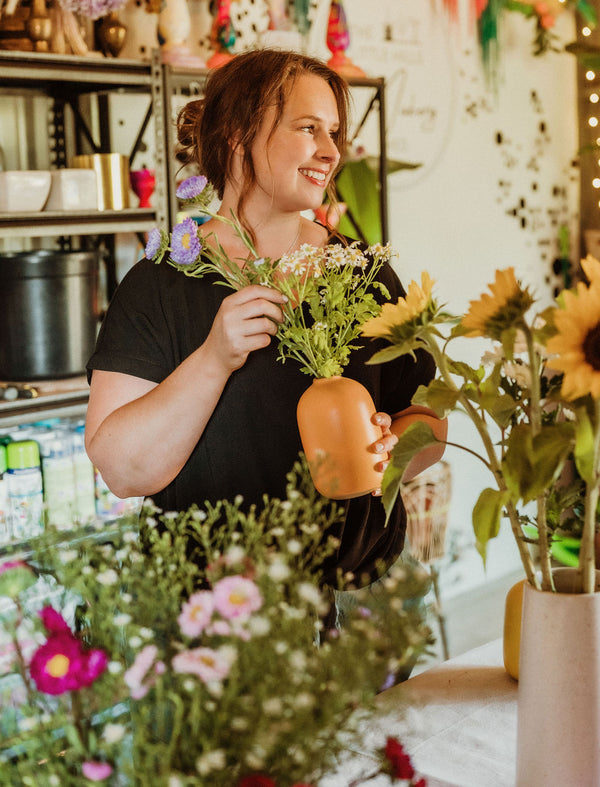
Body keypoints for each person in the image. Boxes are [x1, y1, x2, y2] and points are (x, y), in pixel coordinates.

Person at [85, 48, 446, 601]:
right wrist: (213, 358)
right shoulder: (159, 286)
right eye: (308, 128)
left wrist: (390, 449)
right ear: (236, 135)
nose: (330, 152)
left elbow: (429, 422)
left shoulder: (365, 273)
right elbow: (123, 470)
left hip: (361, 600)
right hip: (220, 621)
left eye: (334, 132)